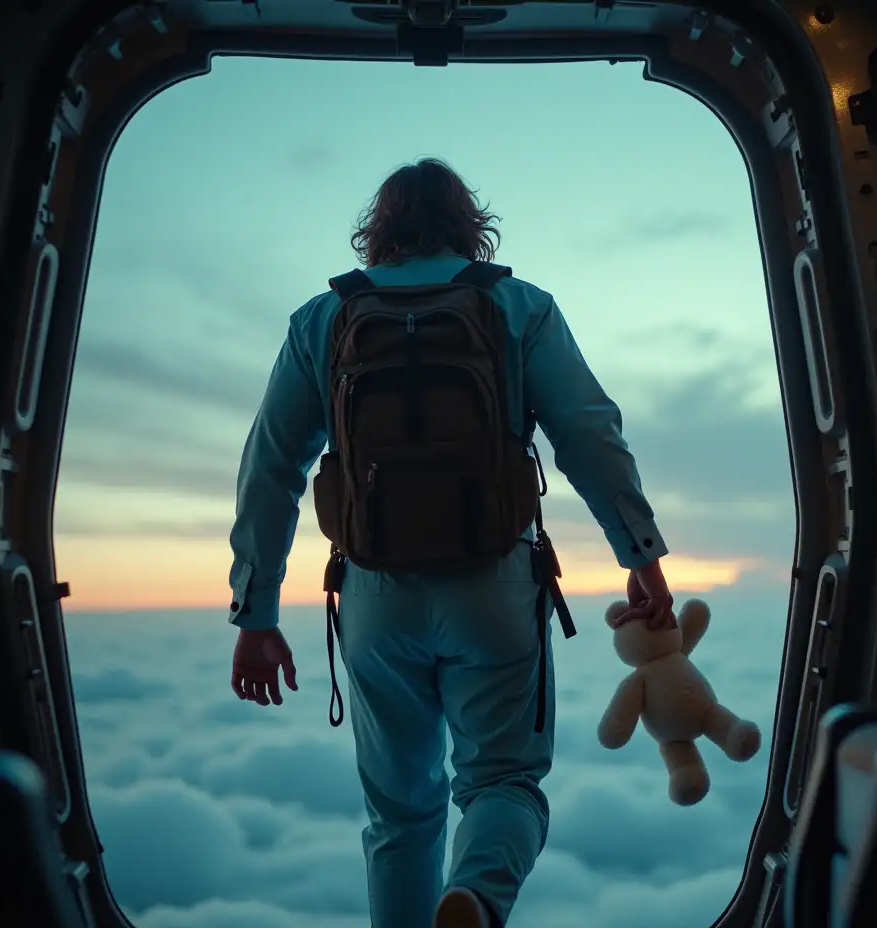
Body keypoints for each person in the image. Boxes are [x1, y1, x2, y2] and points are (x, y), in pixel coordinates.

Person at [226, 157, 673, 928]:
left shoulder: (322, 320)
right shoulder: (518, 306)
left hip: (374, 598)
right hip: (494, 586)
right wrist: (640, 556)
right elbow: (591, 436)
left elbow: (270, 466)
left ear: (379, 229)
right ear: (472, 225)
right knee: (504, 786)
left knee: (399, 817)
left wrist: (255, 612)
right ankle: (475, 896)